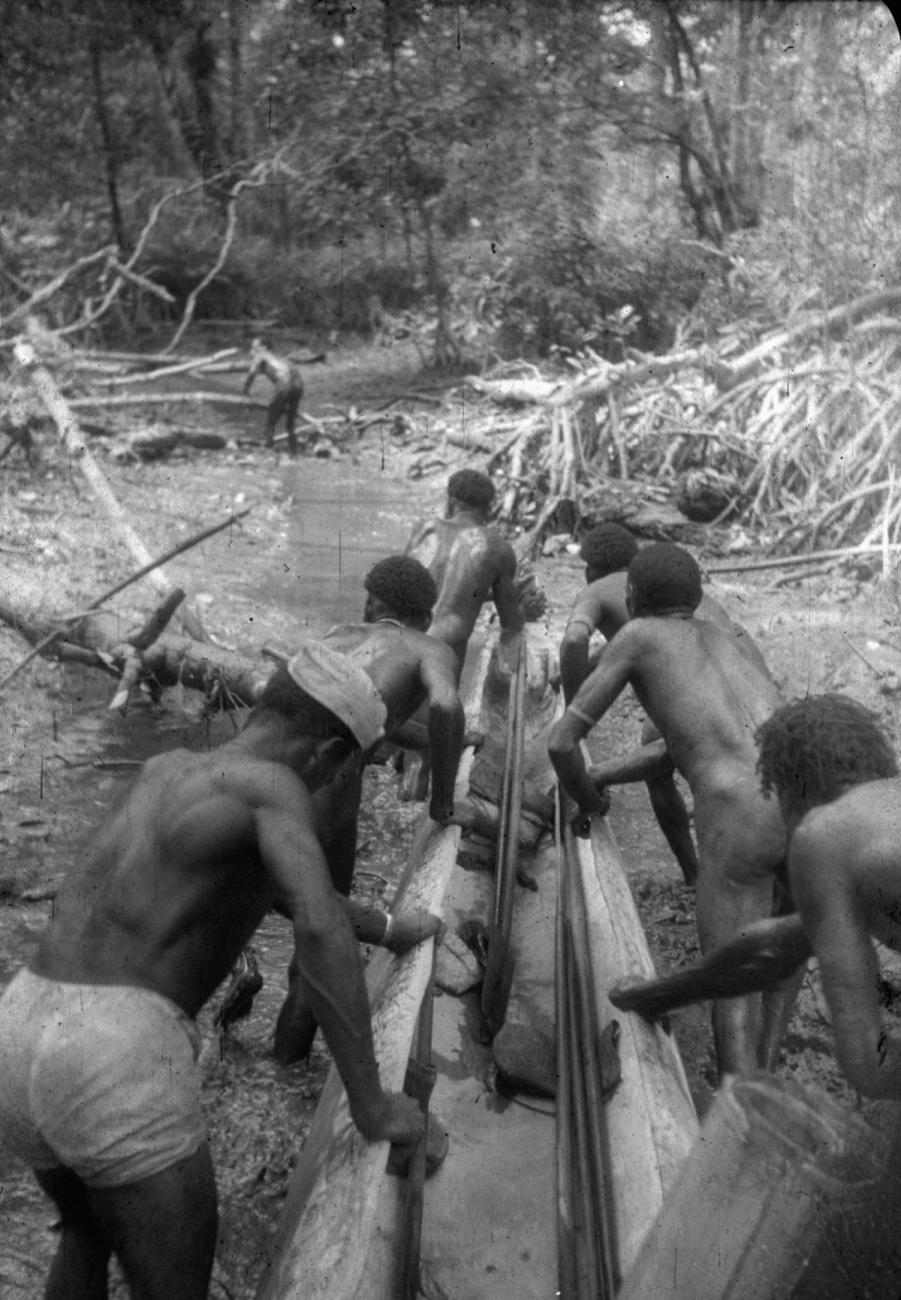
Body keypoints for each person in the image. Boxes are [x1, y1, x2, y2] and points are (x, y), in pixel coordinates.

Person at [0, 648, 441, 1300]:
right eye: (348, 765)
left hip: (19, 1023)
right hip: (111, 1052)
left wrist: (386, 926)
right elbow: (317, 929)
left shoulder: (166, 770)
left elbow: (281, 894)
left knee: (84, 1236)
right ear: (328, 755)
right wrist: (372, 1106)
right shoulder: (277, 788)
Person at [549, 542, 793, 1080]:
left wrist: (587, 799)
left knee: (731, 988)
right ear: (699, 596)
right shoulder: (730, 636)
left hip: (740, 817)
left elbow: (561, 742)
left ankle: (736, 1113)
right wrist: (605, 775)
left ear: (632, 597)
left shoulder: (638, 635)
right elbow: (683, 749)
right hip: (805, 798)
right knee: (784, 954)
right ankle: (766, 1079)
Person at [610, 694, 901, 1100]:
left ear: (793, 790)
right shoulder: (881, 822)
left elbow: (870, 1067)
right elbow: (776, 947)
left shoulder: (824, 834)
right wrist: (659, 995)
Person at [273, 553, 465, 1063]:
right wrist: (443, 802)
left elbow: (359, 713)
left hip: (286, 774)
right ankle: (289, 1069)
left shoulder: (338, 635)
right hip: (331, 789)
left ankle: (283, 1071)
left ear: (371, 603)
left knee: (314, 926)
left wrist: (430, 743)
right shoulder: (428, 646)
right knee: (320, 937)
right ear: (424, 616)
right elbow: (447, 706)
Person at [559, 522, 771, 884]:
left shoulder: (601, 593)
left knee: (662, 755)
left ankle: (693, 872)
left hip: (690, 691)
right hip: (743, 686)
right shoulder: (688, 598)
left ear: (590, 570)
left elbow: (575, 639)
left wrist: (574, 708)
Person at [405, 468, 525, 676]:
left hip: (402, 644)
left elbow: (401, 586)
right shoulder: (498, 548)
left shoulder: (423, 529)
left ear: (450, 500)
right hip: (442, 659)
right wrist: (523, 608)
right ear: (490, 508)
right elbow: (511, 624)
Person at [243, 337, 304, 455]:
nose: (253, 349)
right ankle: (293, 451)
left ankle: (268, 445)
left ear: (264, 347)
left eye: (256, 346)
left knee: (272, 417)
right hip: (298, 384)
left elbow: (251, 373)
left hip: (284, 384)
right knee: (290, 419)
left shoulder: (261, 355)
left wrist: (246, 388)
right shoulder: (279, 357)